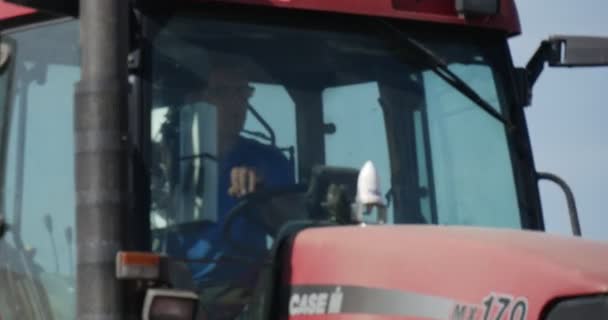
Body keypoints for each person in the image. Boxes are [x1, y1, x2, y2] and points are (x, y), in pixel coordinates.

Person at [161, 59, 295, 317]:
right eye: (223, 93)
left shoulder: (269, 161)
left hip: (248, 292)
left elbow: (294, 224)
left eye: (243, 93)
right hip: (177, 290)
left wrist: (263, 194)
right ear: (195, 101)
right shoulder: (167, 162)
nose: (236, 104)